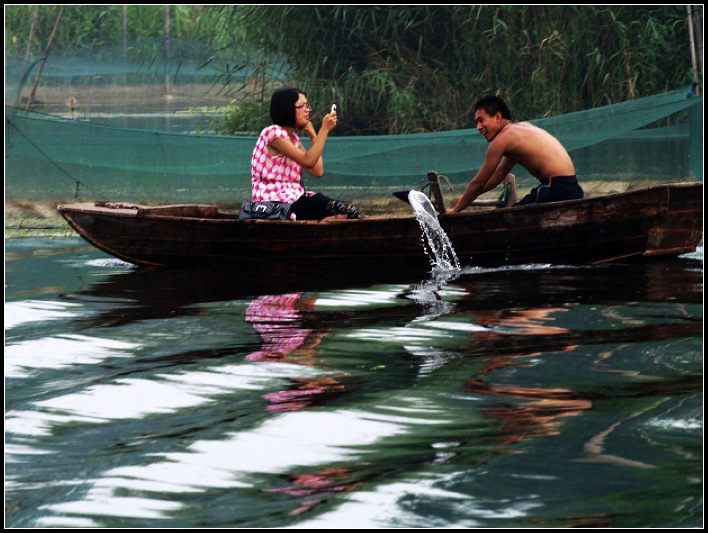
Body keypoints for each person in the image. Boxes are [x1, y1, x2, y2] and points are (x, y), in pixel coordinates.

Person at [447, 95, 583, 214]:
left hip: (554, 187)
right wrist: (468, 198)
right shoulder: (520, 129)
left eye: (481, 120)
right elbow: (499, 175)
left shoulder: (501, 140)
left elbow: (478, 182)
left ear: (498, 116)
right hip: (572, 187)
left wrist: (455, 210)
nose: (478, 127)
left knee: (512, 217)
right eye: (476, 122)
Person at [251, 87, 360, 220]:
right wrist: (324, 129)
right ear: (287, 109)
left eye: (307, 106)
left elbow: (317, 171)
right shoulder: (273, 133)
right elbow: (308, 160)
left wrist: (313, 135)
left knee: (347, 211)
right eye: (302, 106)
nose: (307, 110)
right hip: (276, 201)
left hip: (296, 197)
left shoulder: (294, 139)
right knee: (344, 212)